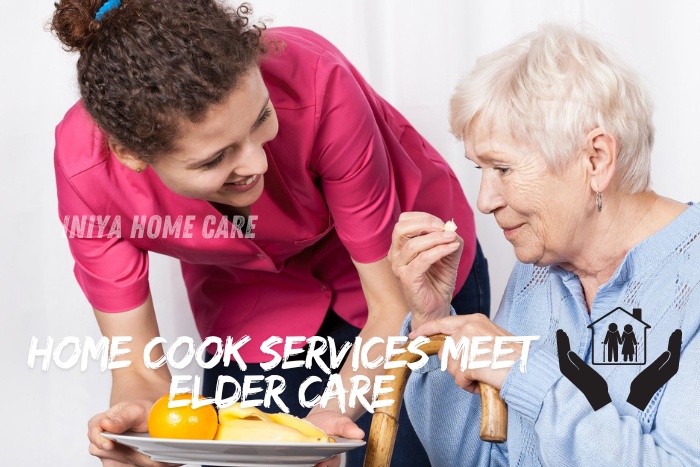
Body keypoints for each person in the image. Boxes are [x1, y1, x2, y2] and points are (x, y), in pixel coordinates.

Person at [49, 1, 489, 466]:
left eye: (262, 118)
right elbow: (137, 367)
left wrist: (327, 420)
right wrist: (145, 421)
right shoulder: (86, 172)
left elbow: (391, 305)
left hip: (396, 277)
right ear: (132, 153)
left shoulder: (316, 77)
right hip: (252, 302)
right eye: (215, 158)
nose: (257, 163)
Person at [389, 24, 700, 466]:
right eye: (480, 168)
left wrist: (525, 371)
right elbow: (476, 459)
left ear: (596, 159)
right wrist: (433, 318)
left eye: (503, 168)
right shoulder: (538, 270)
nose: (484, 201)